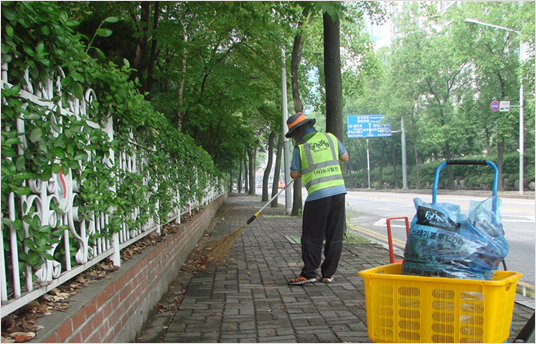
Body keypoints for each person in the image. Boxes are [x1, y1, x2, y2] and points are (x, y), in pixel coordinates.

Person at [285, 112, 349, 285]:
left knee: (312, 236)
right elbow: (345, 157)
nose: (293, 139)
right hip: (338, 192)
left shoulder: (301, 147)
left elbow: (293, 173)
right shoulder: (330, 138)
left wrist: (301, 172)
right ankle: (328, 274)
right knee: (334, 234)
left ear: (298, 132)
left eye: (293, 135)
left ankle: (309, 273)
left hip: (318, 195)